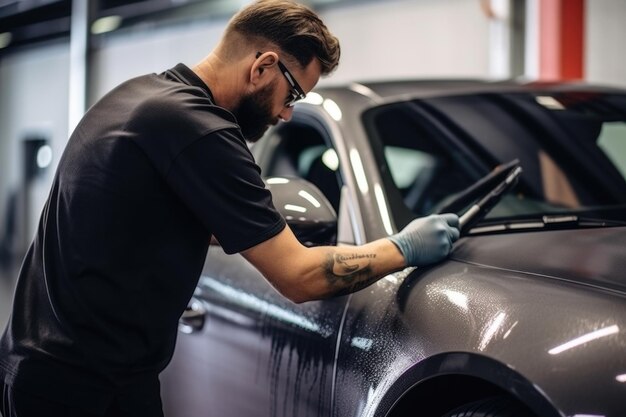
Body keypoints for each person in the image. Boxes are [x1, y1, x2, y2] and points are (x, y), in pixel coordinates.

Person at [0, 1, 460, 416]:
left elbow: (198, 221)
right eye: (294, 95)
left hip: (57, 368)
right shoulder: (201, 130)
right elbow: (299, 276)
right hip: (81, 387)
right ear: (263, 66)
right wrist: (402, 247)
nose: (286, 115)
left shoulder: (143, 96)